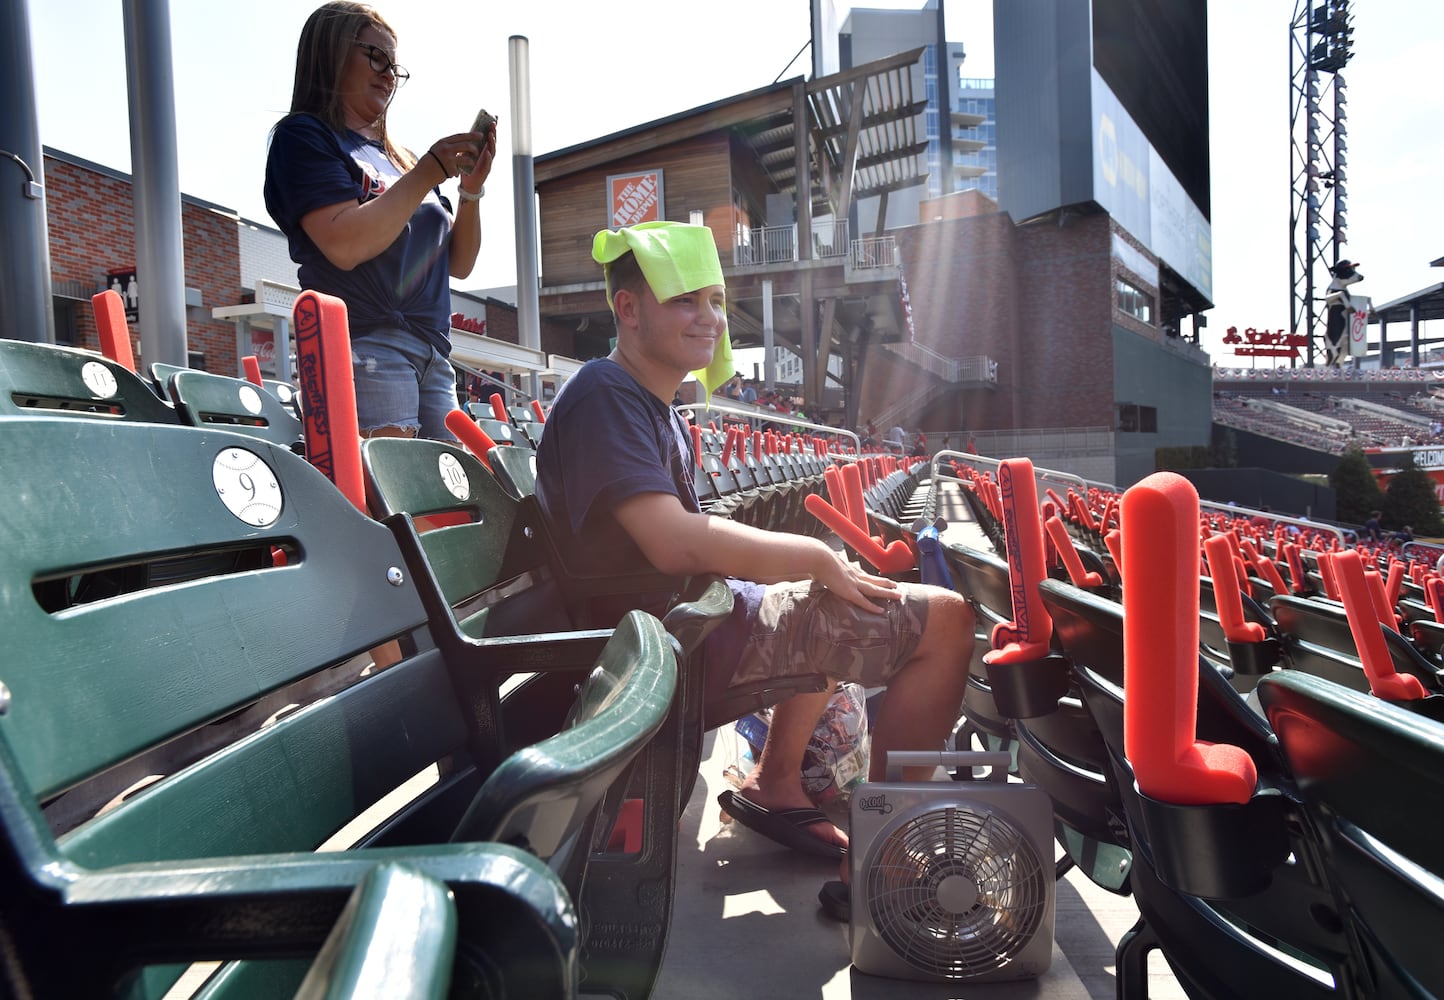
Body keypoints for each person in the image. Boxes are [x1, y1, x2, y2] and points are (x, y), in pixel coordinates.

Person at [534, 221, 973, 915]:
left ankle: (777, 781)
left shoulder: (655, 405)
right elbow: (674, 544)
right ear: (628, 308)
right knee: (945, 623)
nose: (709, 318)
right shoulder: (602, 395)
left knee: (847, 586)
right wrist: (814, 557)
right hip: (660, 649)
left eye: (714, 300)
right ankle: (882, 864)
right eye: (686, 300)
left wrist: (818, 568)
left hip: (685, 626)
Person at [264, 2, 497, 440]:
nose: (389, 74)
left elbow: (459, 265)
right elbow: (344, 244)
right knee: (399, 499)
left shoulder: (400, 158)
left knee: (450, 501)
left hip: (432, 352)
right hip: (367, 343)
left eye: (395, 65)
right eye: (376, 57)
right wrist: (429, 171)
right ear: (330, 53)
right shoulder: (305, 136)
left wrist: (470, 190)